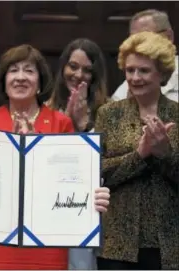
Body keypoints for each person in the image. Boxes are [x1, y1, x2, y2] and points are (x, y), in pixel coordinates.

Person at [0, 44, 111, 270]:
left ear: (40, 81)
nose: (20, 77)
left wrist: (91, 195)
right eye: (13, 70)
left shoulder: (60, 122)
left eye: (29, 71)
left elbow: (70, 183)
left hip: (48, 241)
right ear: (3, 80)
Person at [95, 31, 178, 270]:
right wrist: (139, 155)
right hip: (118, 244)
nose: (135, 77)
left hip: (169, 246)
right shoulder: (109, 115)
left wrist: (165, 155)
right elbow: (97, 172)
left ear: (162, 73)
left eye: (144, 70)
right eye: (130, 70)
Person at [111, 9, 178, 102]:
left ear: (169, 37)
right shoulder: (127, 87)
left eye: (146, 37)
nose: (138, 45)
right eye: (133, 39)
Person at [48, 38, 109, 132]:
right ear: (63, 68)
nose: (79, 75)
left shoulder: (110, 111)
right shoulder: (47, 109)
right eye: (73, 67)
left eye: (87, 70)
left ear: (95, 75)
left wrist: (83, 126)